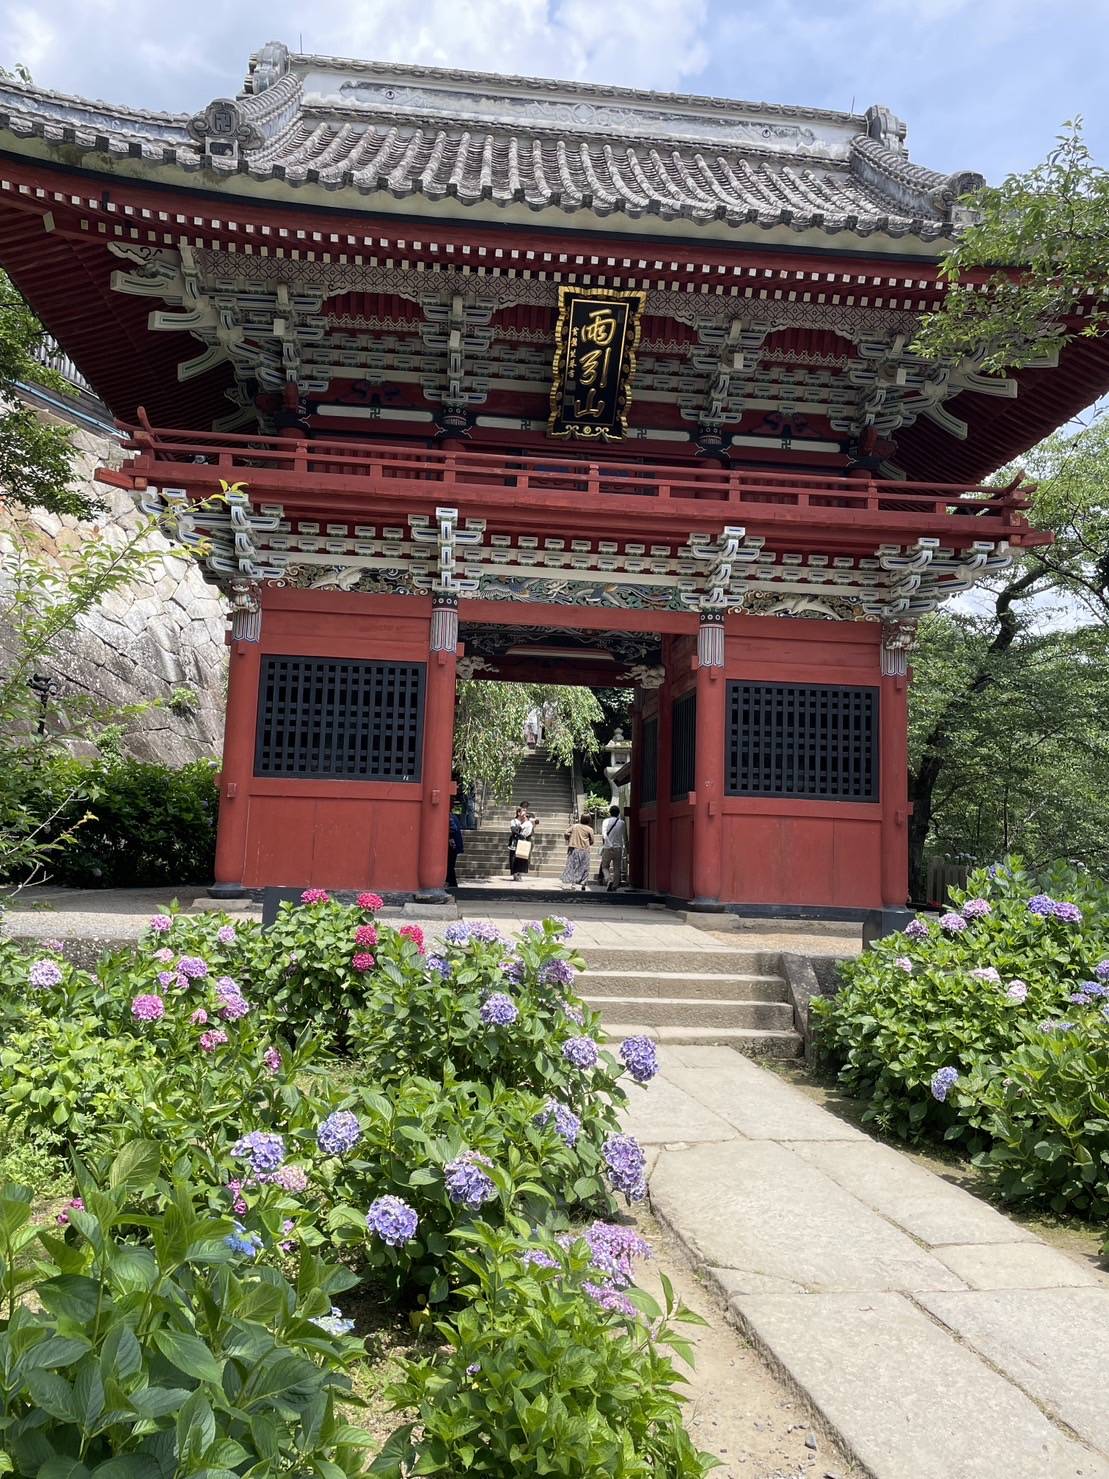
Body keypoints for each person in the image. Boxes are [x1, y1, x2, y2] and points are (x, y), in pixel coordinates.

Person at [561, 813, 595, 891]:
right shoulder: (590, 829)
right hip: (585, 850)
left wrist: (571, 836)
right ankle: (583, 883)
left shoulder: (575, 826)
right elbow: (592, 841)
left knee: (573, 866)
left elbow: (566, 833)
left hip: (574, 849)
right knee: (584, 867)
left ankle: (573, 883)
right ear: (589, 820)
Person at [600, 804, 627, 891]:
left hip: (608, 847)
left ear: (610, 813)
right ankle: (615, 886)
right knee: (617, 867)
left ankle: (609, 879)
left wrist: (609, 844)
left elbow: (604, 835)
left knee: (604, 866)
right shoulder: (622, 823)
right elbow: (622, 836)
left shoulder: (605, 821)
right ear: (618, 813)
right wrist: (623, 849)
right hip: (618, 848)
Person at [508, 804, 536, 880]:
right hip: (515, 842)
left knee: (521, 858)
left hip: (522, 843)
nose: (525, 813)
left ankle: (519, 873)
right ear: (518, 813)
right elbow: (514, 830)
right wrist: (520, 834)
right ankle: (515, 873)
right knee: (514, 858)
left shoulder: (526, 822)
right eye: (523, 811)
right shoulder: (514, 821)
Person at [447, 805, 464, 888]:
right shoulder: (454, 817)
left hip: (452, 845)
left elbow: (452, 829)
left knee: (449, 866)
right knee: (450, 866)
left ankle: (452, 884)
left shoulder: (449, 817)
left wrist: (450, 838)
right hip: (456, 845)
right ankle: (452, 883)